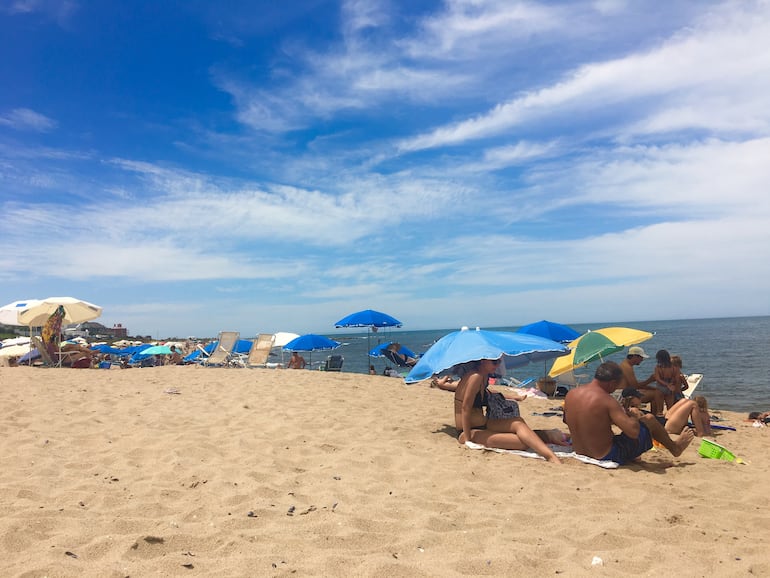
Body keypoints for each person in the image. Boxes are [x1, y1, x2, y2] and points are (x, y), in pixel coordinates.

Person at [563, 361, 694, 465]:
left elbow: (567, 420)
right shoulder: (607, 400)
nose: (616, 389)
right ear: (612, 383)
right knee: (648, 419)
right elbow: (633, 432)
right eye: (617, 386)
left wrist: (609, 418)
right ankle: (675, 448)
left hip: (580, 451)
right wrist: (635, 416)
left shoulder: (571, 395)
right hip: (607, 455)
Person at [453, 358, 561, 463]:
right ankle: (546, 441)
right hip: (468, 431)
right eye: (494, 362)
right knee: (521, 443)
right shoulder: (475, 377)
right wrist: (468, 439)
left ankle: (550, 456)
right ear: (482, 361)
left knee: (518, 422)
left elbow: (489, 394)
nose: (497, 365)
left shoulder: (483, 377)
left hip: (483, 424)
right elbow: (465, 408)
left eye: (499, 362)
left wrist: (514, 397)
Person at [620, 387, 710, 437]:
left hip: (664, 420)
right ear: (631, 399)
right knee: (692, 404)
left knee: (683, 401)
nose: (640, 398)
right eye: (638, 397)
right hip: (666, 427)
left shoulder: (631, 409)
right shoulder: (633, 411)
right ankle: (700, 432)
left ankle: (698, 428)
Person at [619, 346, 664, 416]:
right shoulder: (627, 368)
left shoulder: (625, 365)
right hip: (625, 396)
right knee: (656, 394)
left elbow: (634, 384)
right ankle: (657, 415)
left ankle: (654, 415)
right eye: (641, 357)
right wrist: (650, 380)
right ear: (634, 357)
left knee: (655, 391)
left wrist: (652, 388)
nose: (642, 360)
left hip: (626, 392)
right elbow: (635, 386)